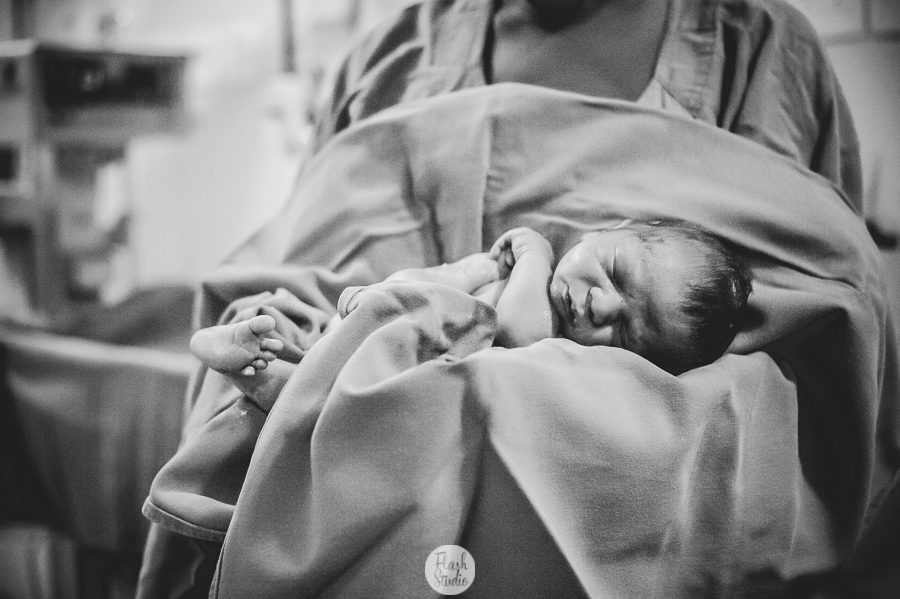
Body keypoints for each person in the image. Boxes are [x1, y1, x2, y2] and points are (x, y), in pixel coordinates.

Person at [190, 220, 752, 406]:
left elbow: (514, 330)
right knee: (306, 338)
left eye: (627, 331)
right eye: (615, 270)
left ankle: (255, 371)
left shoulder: (552, 335)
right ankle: (257, 352)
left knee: (320, 390)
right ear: (618, 223)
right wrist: (389, 290)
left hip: (399, 361)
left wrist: (535, 257)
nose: (602, 303)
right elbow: (453, 280)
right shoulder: (508, 272)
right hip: (376, 321)